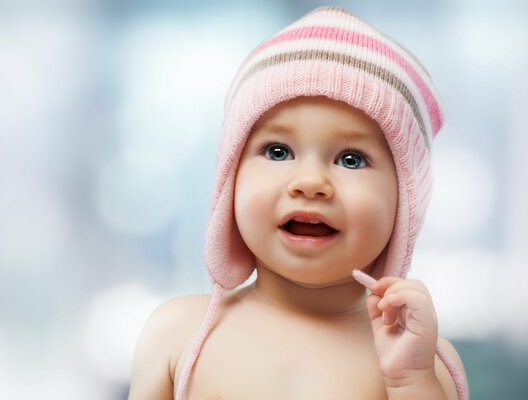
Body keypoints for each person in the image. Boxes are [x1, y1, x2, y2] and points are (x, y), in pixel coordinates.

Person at [129, 6, 468, 400]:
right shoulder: (179, 334)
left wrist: (410, 380)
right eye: (277, 151)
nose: (310, 183)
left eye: (351, 159)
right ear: (230, 176)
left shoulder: (421, 361)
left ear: (406, 201)